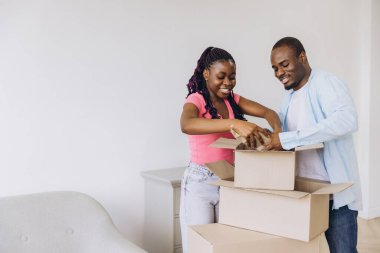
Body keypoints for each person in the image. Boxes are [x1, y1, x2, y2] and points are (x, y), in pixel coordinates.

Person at [179, 46, 282, 252]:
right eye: (221, 76)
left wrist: (278, 135)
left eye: (232, 77)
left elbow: (269, 113)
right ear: (206, 74)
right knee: (201, 246)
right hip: (200, 183)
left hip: (229, 181)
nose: (227, 82)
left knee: (225, 244)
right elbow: (187, 124)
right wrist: (232, 123)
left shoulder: (232, 100)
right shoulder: (196, 100)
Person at [265, 37, 362, 253]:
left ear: (302, 57)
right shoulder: (288, 98)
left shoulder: (326, 82)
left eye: (284, 64)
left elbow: (347, 119)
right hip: (303, 192)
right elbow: (287, 138)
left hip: (334, 195)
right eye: (274, 68)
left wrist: (288, 139)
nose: (279, 72)